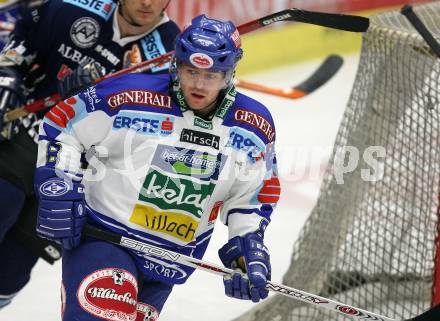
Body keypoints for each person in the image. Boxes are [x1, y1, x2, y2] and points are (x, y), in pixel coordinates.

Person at [34, 14, 280, 320]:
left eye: (212, 75)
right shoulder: (130, 95)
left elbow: (251, 198)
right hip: (106, 238)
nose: (199, 84)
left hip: (169, 263)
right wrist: (58, 185)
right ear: (176, 64)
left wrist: (246, 248)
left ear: (230, 73)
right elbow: (62, 125)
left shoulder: (254, 128)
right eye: (191, 71)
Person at [0, 0, 179, 310]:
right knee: (4, 199)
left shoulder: (171, 52)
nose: (148, 3)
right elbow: (23, 37)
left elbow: (158, 131)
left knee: (12, 271)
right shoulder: (72, 8)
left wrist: (95, 99)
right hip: (31, 133)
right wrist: (8, 73)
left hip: (86, 171)